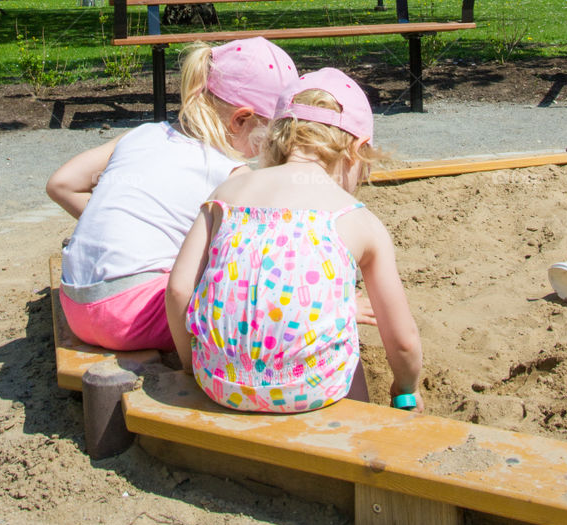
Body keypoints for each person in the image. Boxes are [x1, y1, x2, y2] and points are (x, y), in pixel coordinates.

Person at [166, 68, 423, 413]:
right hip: (311, 390)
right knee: (346, 346)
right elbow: (403, 342)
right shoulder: (355, 218)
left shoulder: (226, 194)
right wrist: (404, 389)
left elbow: (179, 291)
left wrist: (190, 365)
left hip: (218, 382)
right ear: (358, 151)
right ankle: (356, 423)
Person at [45, 37, 298, 352]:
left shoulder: (143, 134)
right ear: (241, 120)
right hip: (133, 316)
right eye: (274, 133)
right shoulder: (231, 174)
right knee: (249, 300)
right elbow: (259, 261)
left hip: (76, 302)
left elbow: (61, 183)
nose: (276, 146)